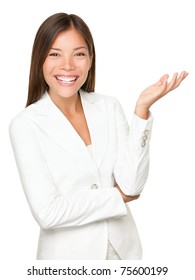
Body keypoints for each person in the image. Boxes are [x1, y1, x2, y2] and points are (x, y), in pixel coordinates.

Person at [9, 12, 188, 260]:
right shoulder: (25, 124)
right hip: (67, 264)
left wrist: (141, 111)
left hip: (125, 256)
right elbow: (48, 213)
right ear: (39, 59)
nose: (68, 65)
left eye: (79, 54)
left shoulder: (108, 107)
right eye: (55, 54)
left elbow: (132, 185)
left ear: (91, 59)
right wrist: (116, 196)